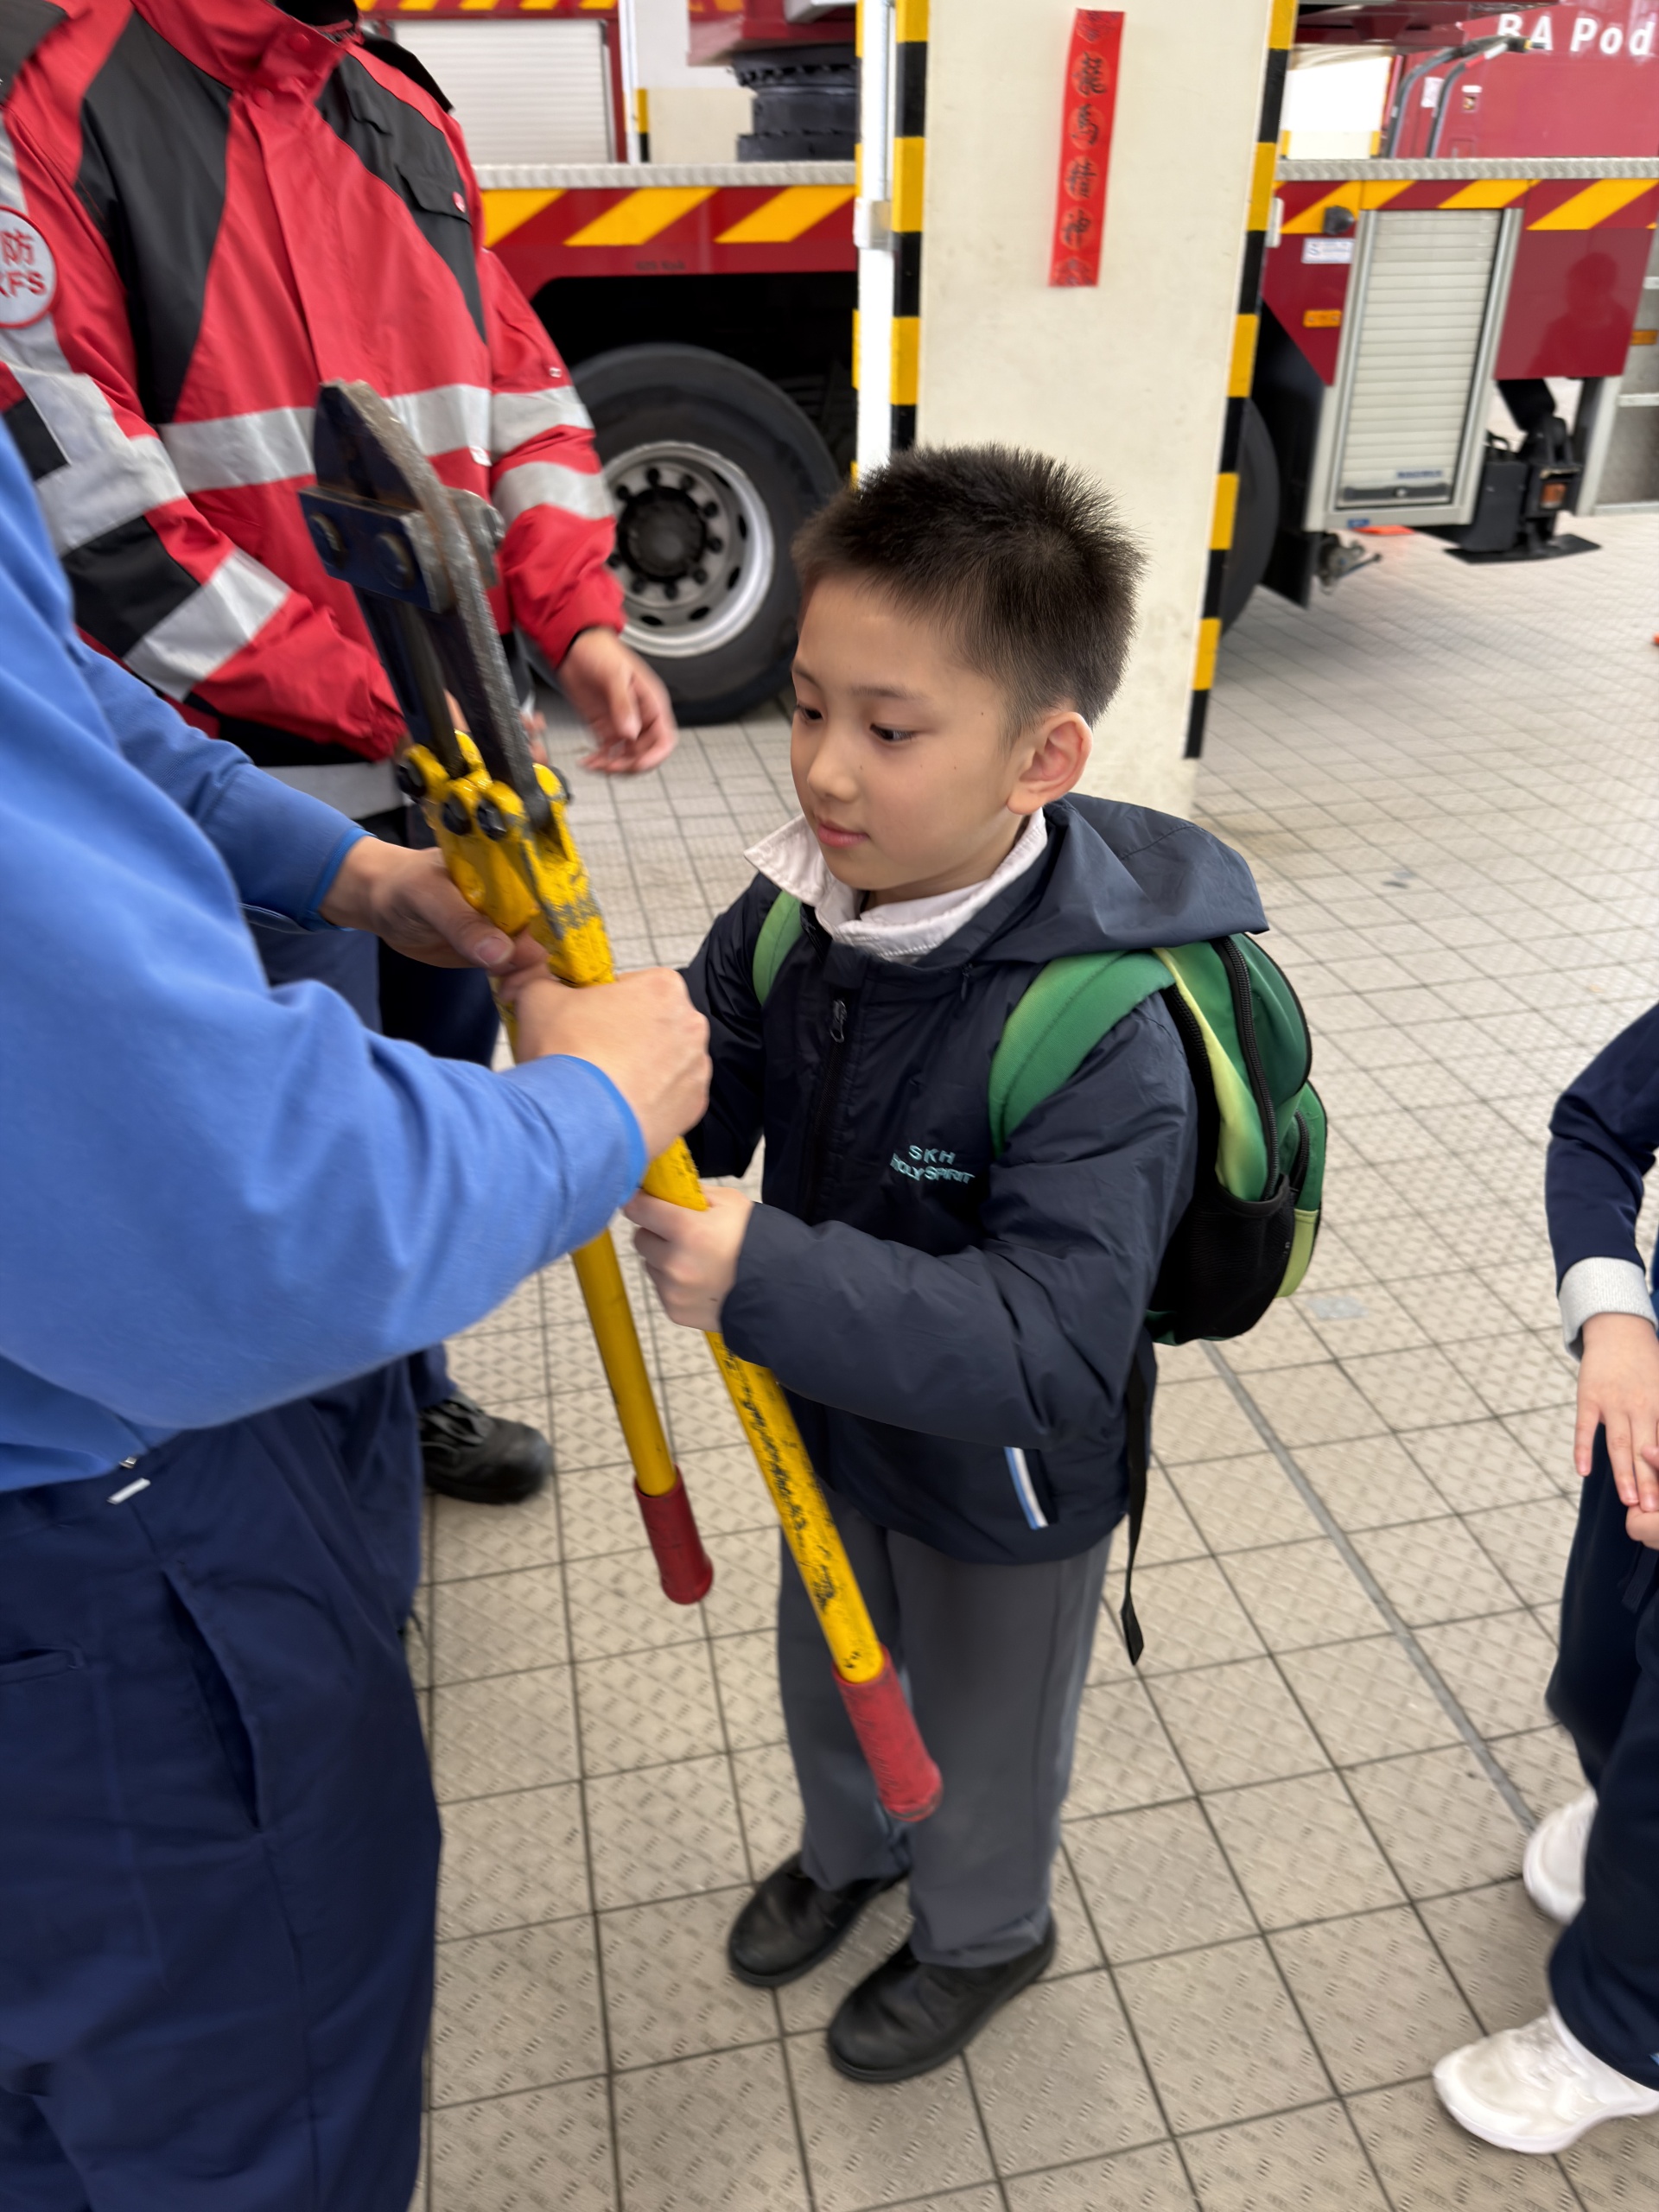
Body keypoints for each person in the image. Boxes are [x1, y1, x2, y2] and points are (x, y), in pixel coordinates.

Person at [0, 421, 708, 2209]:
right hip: (86, 1576)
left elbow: (54, 693)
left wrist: (349, 870)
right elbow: (260, 1222)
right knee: (253, 2135)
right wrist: (595, 1111)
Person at [625, 446, 1268, 2082]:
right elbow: (706, 1084)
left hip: (1011, 1488)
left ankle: (985, 1929)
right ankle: (852, 1849)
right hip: (831, 1418)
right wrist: (598, 1061)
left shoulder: (1101, 1025)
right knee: (830, 1661)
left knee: (985, 1730)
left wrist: (762, 1277)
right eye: (807, 705)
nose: (826, 770)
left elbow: (1053, 1346)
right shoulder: (797, 916)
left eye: (891, 730)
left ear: (1040, 757)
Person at [0, 0, 678, 1506]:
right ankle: (296, 1497)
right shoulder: (55, 98)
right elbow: (99, 521)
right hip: (247, 784)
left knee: (434, 1100)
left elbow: (523, 390)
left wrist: (575, 618)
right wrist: (392, 702)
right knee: (280, 1172)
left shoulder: (399, 109)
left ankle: (400, 1408)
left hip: (456, 782)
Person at [1434, 1004, 1659, 2152]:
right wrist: (1616, 1314)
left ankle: (1623, 2039)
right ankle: (1623, 1821)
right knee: (1598, 1674)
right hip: (1647, 1446)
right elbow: (1597, 1124)